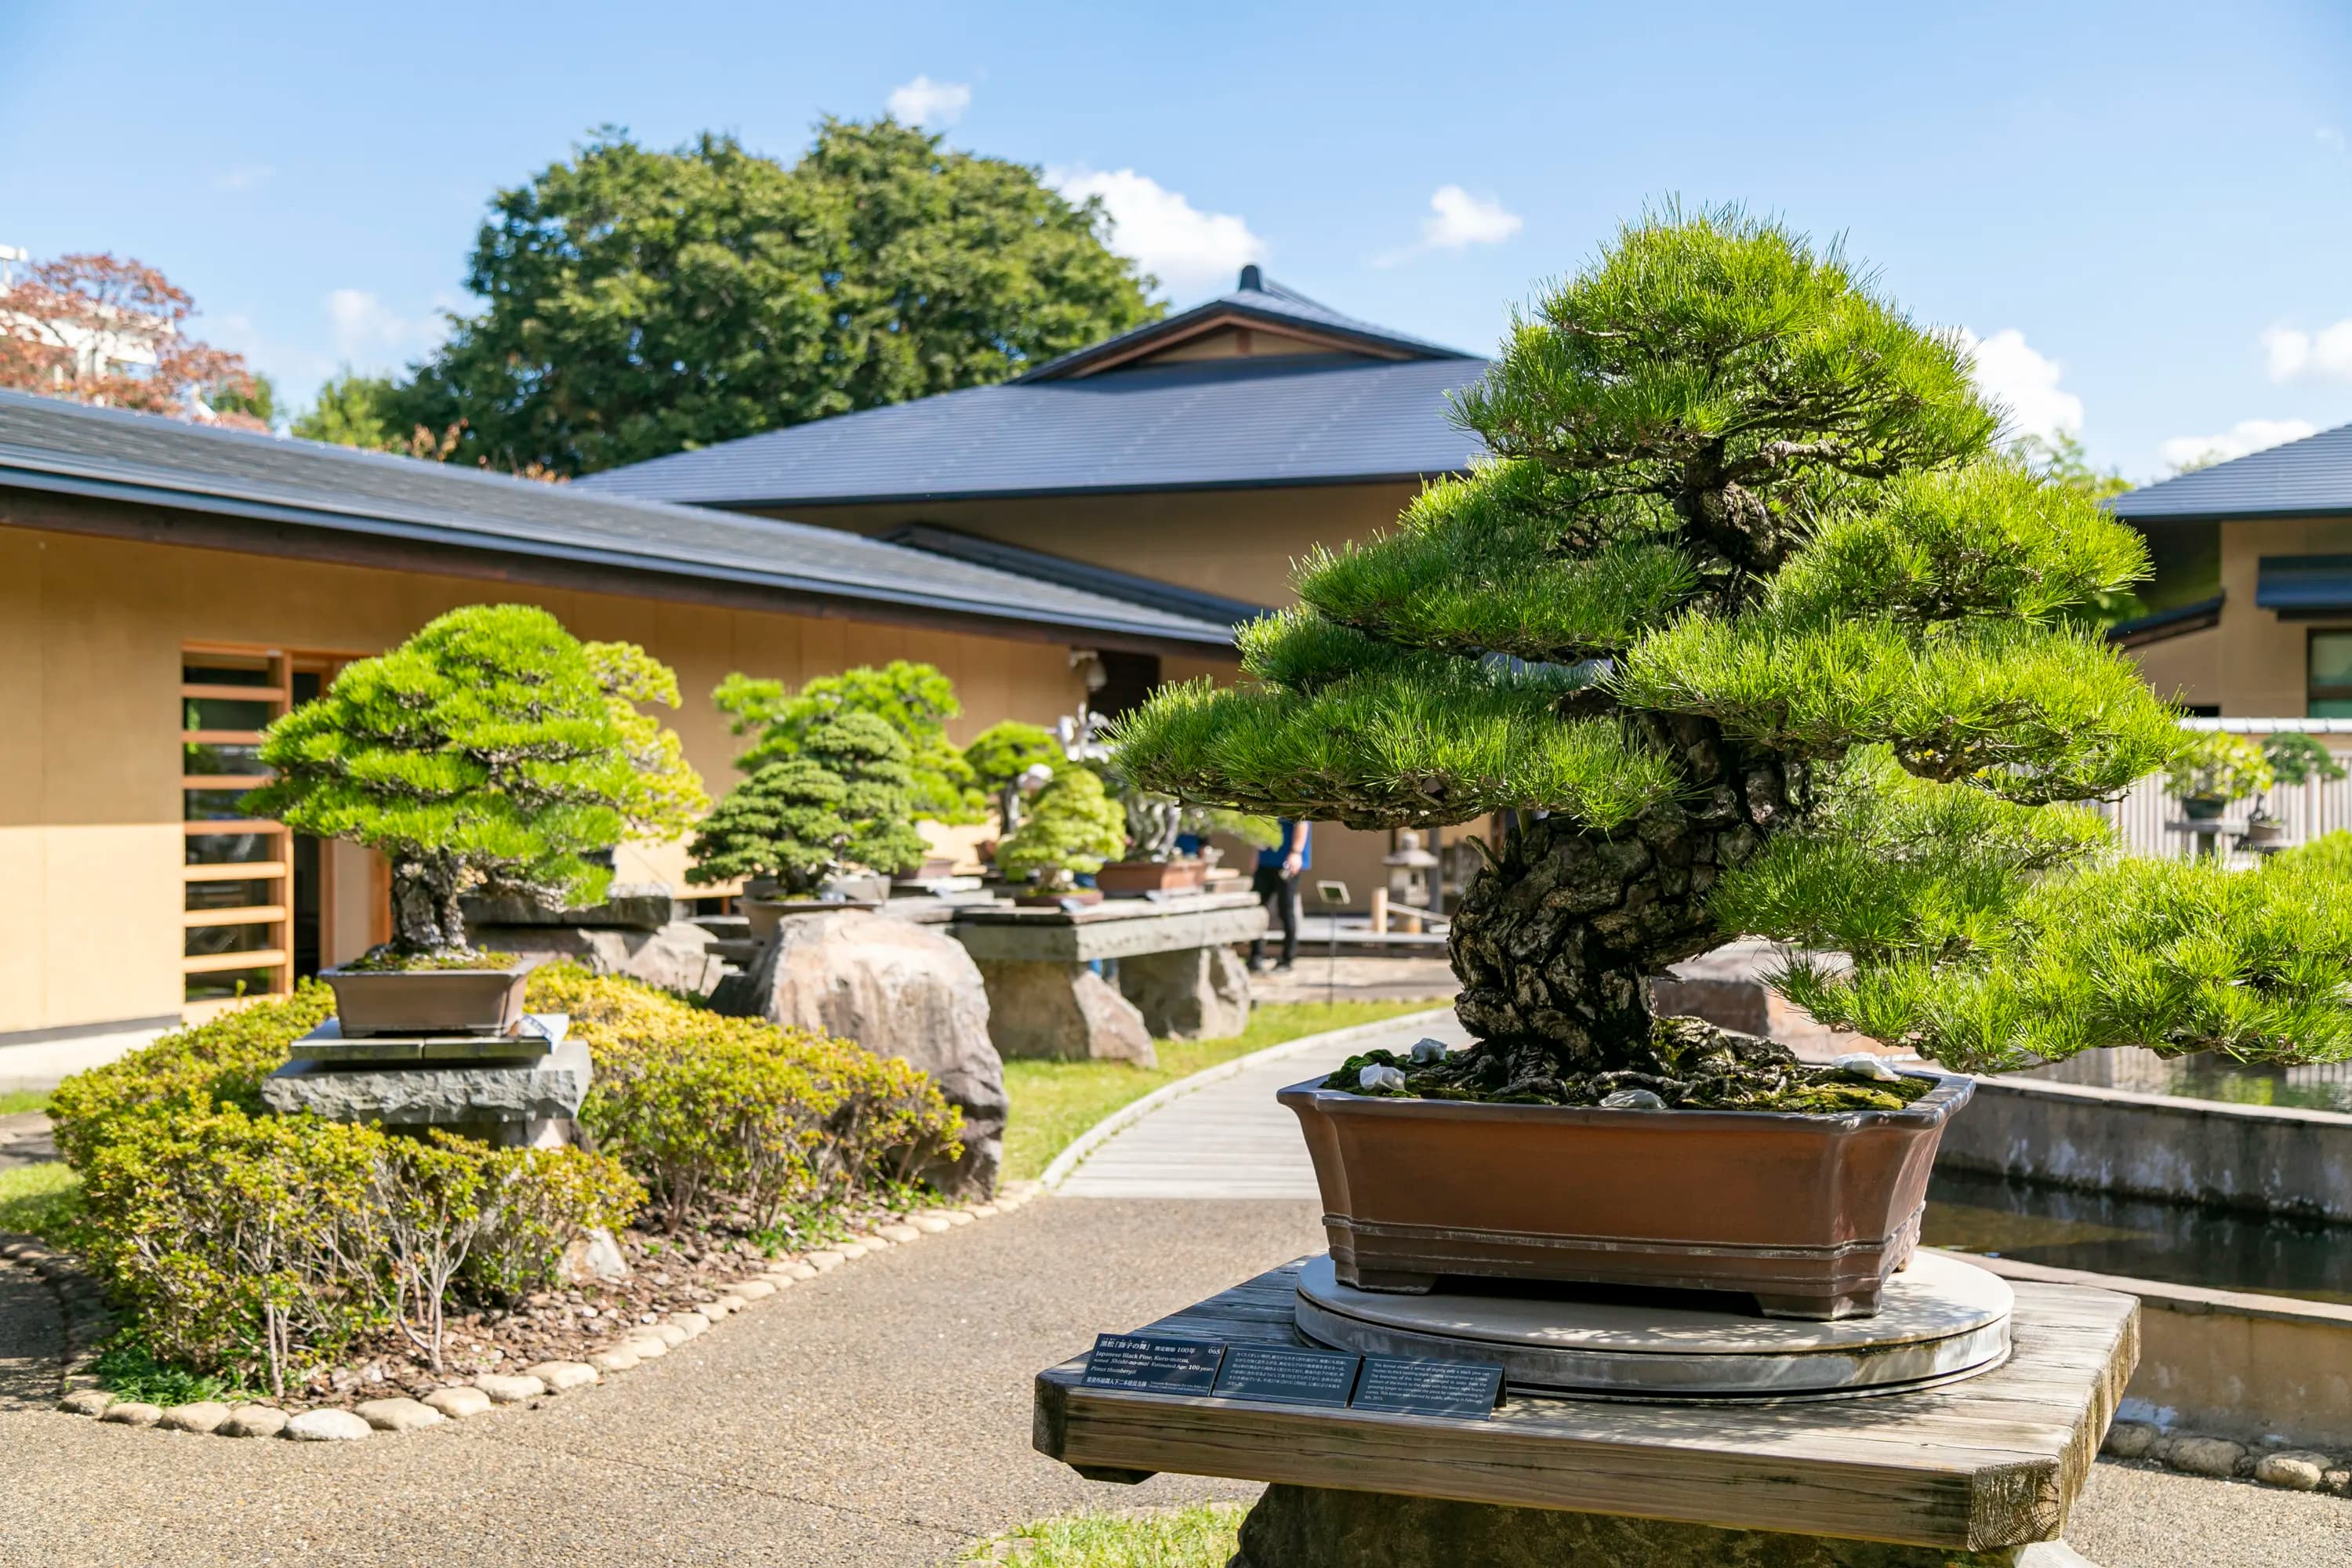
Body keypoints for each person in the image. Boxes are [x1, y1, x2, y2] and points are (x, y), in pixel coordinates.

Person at [1248, 818, 1308, 973]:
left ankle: (1287, 959)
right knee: (1257, 908)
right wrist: (1256, 854)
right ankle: (1255, 956)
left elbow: (1302, 822)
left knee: (1286, 910)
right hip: (1265, 861)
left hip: (1286, 862)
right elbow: (1259, 824)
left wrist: (1296, 852)